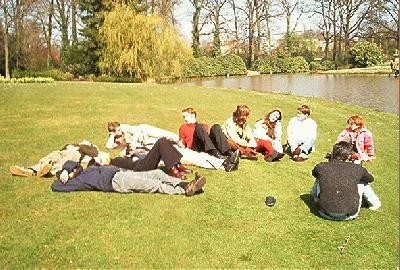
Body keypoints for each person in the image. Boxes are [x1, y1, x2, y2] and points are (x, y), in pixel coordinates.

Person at [311, 141, 381, 221]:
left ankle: (315, 197)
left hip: (323, 212)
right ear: (349, 156)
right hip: (349, 215)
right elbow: (370, 179)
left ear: (333, 154)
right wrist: (357, 166)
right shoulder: (357, 169)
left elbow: (314, 174)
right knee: (362, 182)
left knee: (320, 176)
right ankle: (375, 203)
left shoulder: (321, 166)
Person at [51, 163, 207, 197]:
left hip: (123, 173)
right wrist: (64, 177)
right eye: (70, 172)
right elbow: (55, 186)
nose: (73, 171)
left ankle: (184, 184)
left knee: (158, 173)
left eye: (71, 170)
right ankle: (184, 189)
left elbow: (75, 164)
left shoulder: (85, 170)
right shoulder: (78, 182)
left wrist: (66, 168)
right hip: (117, 182)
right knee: (154, 184)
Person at [9, 141, 110, 177]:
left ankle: (50, 170)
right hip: (63, 152)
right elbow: (64, 147)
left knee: (65, 160)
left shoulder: (92, 148)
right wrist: (71, 146)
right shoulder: (74, 145)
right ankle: (31, 170)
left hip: (75, 154)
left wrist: (82, 145)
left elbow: (94, 153)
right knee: (51, 155)